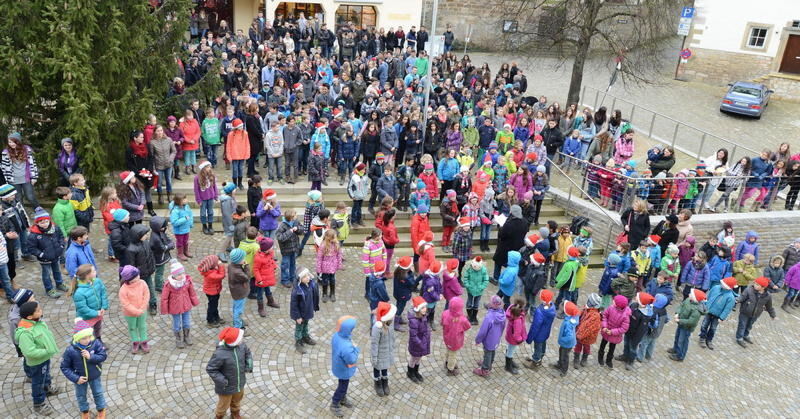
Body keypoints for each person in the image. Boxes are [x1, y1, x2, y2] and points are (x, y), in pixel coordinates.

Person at [15, 301, 59, 415]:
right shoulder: (25, 333)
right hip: (38, 362)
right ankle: (38, 403)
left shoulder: (37, 322)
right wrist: (46, 351)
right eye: (38, 311)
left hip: (45, 358)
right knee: (38, 381)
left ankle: (47, 388)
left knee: (46, 375)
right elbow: (29, 352)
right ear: (29, 316)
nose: (41, 311)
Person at [59, 320, 108, 419]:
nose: (87, 340)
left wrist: (91, 357)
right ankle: (85, 411)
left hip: (94, 375)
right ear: (77, 339)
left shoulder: (95, 343)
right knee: (81, 395)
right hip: (80, 378)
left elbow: (103, 356)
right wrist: (76, 378)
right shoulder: (70, 351)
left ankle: (101, 409)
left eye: (89, 336)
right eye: (84, 338)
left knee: (98, 393)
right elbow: (65, 367)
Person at [206, 327, 253, 419]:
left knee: (237, 400)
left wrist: (249, 364)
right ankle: (219, 416)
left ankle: (235, 413)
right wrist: (223, 381)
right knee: (223, 404)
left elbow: (248, 353)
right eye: (240, 338)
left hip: (239, 383)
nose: (242, 340)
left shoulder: (242, 346)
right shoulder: (220, 354)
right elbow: (211, 369)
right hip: (225, 387)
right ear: (234, 342)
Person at [27, 209, 67, 298]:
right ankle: (49, 289)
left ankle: (59, 284)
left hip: (55, 255)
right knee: (46, 274)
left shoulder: (55, 228)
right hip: (44, 259)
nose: (45, 224)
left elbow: (61, 237)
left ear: (49, 220)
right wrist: (41, 254)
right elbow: (31, 248)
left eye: (46, 221)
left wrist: (61, 246)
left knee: (57, 271)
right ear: (37, 223)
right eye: (42, 222)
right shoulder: (34, 235)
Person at [161, 260, 199, 349]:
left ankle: (187, 336)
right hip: (175, 308)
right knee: (177, 323)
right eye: (178, 274)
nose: (181, 276)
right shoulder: (169, 285)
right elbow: (164, 298)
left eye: (182, 273)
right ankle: (178, 338)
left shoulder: (187, 281)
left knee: (187, 322)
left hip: (186, 305)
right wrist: (164, 309)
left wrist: (195, 301)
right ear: (174, 275)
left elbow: (192, 292)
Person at [330, 316, 359, 417]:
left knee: (342, 384)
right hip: (344, 370)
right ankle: (335, 403)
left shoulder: (336, 335)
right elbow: (351, 359)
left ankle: (342, 398)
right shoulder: (346, 346)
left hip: (338, 366)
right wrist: (356, 349)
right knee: (342, 387)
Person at [735, 276, 776, 347]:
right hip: (745, 312)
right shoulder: (749, 290)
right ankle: (739, 338)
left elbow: (769, 306)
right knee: (742, 325)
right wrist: (737, 300)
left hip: (755, 314)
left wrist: (772, 314)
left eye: (757, 284)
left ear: (763, 287)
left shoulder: (768, 296)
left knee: (749, 325)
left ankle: (745, 335)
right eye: (755, 283)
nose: (754, 285)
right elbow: (742, 297)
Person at [1, 132, 40, 208]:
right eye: (9, 142)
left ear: (18, 141)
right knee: (19, 200)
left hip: (26, 178)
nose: (11, 144)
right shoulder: (5, 153)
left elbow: (33, 164)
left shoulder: (27, 150)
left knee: (30, 197)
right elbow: (4, 167)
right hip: (14, 180)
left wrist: (34, 177)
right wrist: (6, 180)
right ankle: (23, 216)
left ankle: (40, 212)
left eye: (13, 142)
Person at [667, 288, 705, 362]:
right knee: (677, 337)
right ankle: (675, 349)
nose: (689, 294)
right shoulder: (688, 300)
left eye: (691, 294)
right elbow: (681, 306)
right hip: (681, 324)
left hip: (686, 328)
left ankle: (680, 356)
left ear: (695, 298)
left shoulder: (697, 310)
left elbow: (691, 322)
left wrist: (680, 320)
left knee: (683, 341)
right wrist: (677, 313)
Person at [473, 295, 507, 377]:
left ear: (494, 304)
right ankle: (488, 363)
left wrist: (478, 340)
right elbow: (503, 326)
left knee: (487, 352)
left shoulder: (489, 317)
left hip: (489, 339)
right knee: (492, 351)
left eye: (490, 302)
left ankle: (485, 370)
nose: (489, 302)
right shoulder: (502, 313)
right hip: (496, 338)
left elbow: (483, 331)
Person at [290, 267, 320, 354]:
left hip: (308, 311)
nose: (308, 277)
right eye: (304, 277)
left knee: (306, 325)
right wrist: (297, 317)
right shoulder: (297, 291)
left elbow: (314, 295)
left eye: (308, 275)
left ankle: (305, 336)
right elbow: (294, 306)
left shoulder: (311, 284)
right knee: (299, 327)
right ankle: (298, 341)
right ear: (300, 279)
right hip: (300, 314)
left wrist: (314, 306)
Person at [370, 301, 397, 397]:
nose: (394, 317)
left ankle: (385, 381)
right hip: (379, 354)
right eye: (392, 315)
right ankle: (377, 382)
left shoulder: (390, 322)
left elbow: (392, 336)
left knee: (385, 368)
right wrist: (374, 358)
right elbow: (374, 344)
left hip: (387, 352)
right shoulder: (377, 328)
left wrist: (392, 346)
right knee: (377, 368)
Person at [597, 295, 630, 369]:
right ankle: (600, 356)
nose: (612, 301)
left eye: (614, 301)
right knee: (603, 345)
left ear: (618, 305)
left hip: (615, 335)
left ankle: (609, 360)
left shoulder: (626, 315)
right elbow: (604, 316)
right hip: (606, 331)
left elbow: (624, 328)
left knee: (612, 348)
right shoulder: (611, 307)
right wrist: (604, 326)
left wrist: (612, 332)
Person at [636, 293, 669, 362]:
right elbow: (667, 320)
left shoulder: (654, 310)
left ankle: (640, 357)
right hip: (658, 332)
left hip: (650, 332)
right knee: (652, 343)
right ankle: (648, 356)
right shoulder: (664, 310)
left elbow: (651, 322)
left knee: (644, 343)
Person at [276, 209, 304, 288]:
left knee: (293, 264)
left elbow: (302, 230)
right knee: (285, 265)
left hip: (294, 249)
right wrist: (290, 231)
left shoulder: (295, 222)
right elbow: (280, 238)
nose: (297, 216)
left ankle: (292, 278)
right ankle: (285, 280)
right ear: (291, 217)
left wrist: (297, 229)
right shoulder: (282, 225)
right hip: (286, 250)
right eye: (295, 215)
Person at [573, 293, 602, 368]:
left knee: (586, 347)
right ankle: (576, 358)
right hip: (580, 332)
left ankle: (584, 358)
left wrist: (580, 334)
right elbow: (581, 316)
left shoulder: (595, 315)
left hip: (588, 336)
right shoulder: (587, 308)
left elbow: (590, 328)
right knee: (578, 346)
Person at [406, 296, 431, 383]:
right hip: (417, 344)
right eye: (422, 307)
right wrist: (420, 343)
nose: (425, 309)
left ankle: (416, 371)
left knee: (419, 357)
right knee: (414, 358)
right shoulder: (414, 321)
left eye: (425, 307)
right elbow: (413, 336)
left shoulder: (423, 316)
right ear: (418, 309)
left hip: (422, 342)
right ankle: (410, 372)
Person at [253, 237, 279, 316]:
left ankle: (270, 301)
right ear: (266, 249)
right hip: (262, 280)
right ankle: (260, 308)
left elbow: (271, 260)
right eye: (271, 247)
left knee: (268, 290)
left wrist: (274, 266)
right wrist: (259, 280)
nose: (272, 248)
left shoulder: (270, 252)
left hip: (268, 277)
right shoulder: (258, 258)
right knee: (260, 294)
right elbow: (255, 269)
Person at [554, 301, 579, 377]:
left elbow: (569, 337)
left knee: (565, 357)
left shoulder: (568, 323)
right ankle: (560, 364)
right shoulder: (573, 317)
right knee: (561, 352)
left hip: (566, 343)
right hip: (566, 343)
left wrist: (562, 340)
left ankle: (564, 370)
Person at [227, 248, 250, 332]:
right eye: (243, 258)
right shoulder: (237, 272)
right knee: (238, 310)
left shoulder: (231, 266)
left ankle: (238, 322)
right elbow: (247, 277)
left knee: (236, 307)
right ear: (238, 260)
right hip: (239, 293)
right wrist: (246, 266)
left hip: (236, 292)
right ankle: (238, 327)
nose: (244, 259)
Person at [504, 297, 527, 375]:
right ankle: (508, 366)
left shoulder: (512, 310)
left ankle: (510, 362)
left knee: (509, 348)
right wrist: (520, 340)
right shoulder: (518, 320)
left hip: (509, 336)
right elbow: (517, 334)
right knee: (511, 351)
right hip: (513, 339)